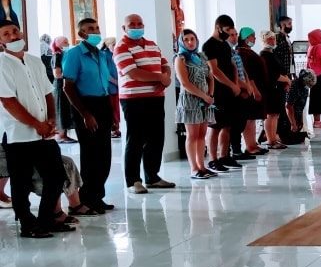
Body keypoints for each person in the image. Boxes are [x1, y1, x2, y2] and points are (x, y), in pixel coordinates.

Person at [0, 18, 70, 239]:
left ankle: (47, 219)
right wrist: (36, 124)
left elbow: (48, 92)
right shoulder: (2, 64)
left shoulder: (34, 61)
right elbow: (8, 102)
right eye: (6, 34)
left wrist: (51, 120)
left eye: (15, 31)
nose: (13, 36)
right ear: (1, 41)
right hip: (18, 135)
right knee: (21, 182)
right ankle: (27, 224)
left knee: (56, 176)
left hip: (44, 133)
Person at [57, 16, 118, 214]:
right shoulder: (74, 54)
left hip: (103, 104)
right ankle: (86, 199)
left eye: (97, 27)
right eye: (90, 28)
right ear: (82, 33)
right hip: (85, 105)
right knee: (91, 155)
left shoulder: (101, 55)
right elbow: (68, 87)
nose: (95, 31)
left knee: (104, 155)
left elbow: (105, 85)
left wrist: (112, 116)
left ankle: (97, 196)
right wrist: (85, 114)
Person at [114, 13, 176, 195]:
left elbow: (165, 65)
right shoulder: (121, 47)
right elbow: (134, 73)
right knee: (135, 139)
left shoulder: (151, 44)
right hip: (134, 99)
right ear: (124, 28)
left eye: (139, 23)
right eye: (131, 24)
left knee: (156, 138)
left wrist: (166, 78)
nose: (136, 27)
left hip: (155, 96)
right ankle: (133, 180)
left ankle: (152, 177)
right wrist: (160, 78)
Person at [203, 15, 248, 172]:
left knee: (228, 125)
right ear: (218, 27)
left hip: (230, 91)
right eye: (227, 30)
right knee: (215, 126)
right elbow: (214, 70)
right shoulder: (209, 45)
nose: (229, 33)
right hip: (218, 91)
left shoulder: (224, 45)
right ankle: (213, 159)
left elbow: (232, 65)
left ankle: (224, 156)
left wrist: (235, 84)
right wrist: (230, 84)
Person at [173, 29, 215, 179]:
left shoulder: (201, 57)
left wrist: (210, 95)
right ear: (181, 42)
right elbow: (185, 83)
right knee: (192, 135)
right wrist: (204, 96)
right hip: (190, 100)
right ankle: (194, 168)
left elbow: (210, 77)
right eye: (186, 40)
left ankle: (202, 166)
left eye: (192, 39)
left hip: (205, 100)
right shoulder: (180, 59)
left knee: (202, 134)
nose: (190, 42)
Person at [236, 28, 268, 153]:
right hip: (251, 90)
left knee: (253, 118)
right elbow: (249, 74)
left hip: (257, 88)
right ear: (245, 38)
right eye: (252, 36)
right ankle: (250, 146)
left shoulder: (247, 51)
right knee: (249, 118)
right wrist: (254, 90)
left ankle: (253, 144)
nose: (254, 38)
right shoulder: (242, 53)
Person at [258, 30, 289, 149]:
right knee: (271, 115)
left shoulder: (272, 53)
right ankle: (271, 140)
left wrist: (286, 80)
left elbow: (280, 70)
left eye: (273, 38)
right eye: (269, 39)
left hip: (277, 89)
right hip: (270, 90)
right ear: (264, 40)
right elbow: (272, 74)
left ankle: (273, 139)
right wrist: (287, 80)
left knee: (275, 115)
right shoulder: (264, 55)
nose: (272, 41)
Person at [52, 37, 77, 143]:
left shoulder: (64, 54)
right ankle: (60, 135)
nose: (67, 44)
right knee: (61, 110)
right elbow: (57, 74)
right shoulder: (57, 55)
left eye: (67, 42)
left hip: (65, 85)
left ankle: (64, 134)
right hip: (60, 86)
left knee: (66, 109)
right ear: (58, 44)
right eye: (65, 42)